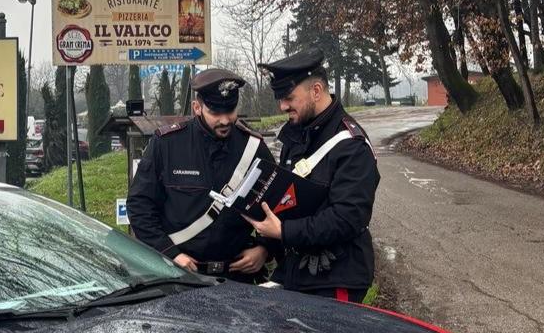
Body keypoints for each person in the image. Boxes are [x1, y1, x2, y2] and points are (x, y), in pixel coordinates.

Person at [242, 49, 379, 302]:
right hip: (298, 271)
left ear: (316, 91)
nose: (283, 106)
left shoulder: (352, 145)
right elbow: (288, 201)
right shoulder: (296, 135)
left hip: (336, 276)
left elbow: (348, 218)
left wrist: (284, 231)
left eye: (289, 98)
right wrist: (267, 246)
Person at [126, 68, 276, 281]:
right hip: (179, 275)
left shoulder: (253, 147)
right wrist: (171, 254)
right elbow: (139, 206)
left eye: (230, 110)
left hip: (236, 276)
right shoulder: (167, 144)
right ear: (197, 107)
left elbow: (278, 205)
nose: (225, 120)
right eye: (215, 112)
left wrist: (264, 249)